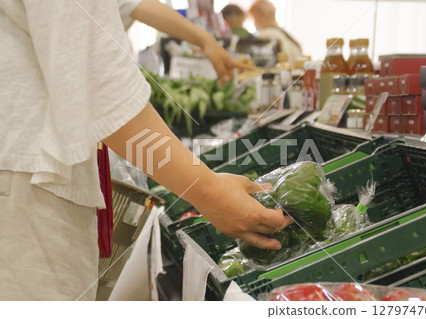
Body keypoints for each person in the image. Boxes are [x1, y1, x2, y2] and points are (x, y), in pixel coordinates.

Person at [0, 0, 291, 301]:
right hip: (26, 180)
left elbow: (127, 3)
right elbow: (97, 83)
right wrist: (207, 190)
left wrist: (205, 40)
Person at [249, 0, 303, 65]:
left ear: (259, 15)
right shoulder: (287, 36)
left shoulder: (265, 36)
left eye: (253, 17)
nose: (254, 23)